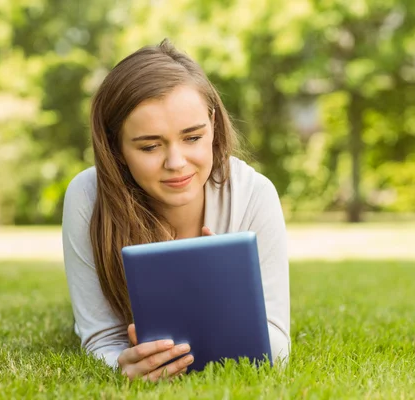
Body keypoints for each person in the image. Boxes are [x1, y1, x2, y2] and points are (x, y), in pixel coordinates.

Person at [62, 39, 290, 382]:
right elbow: (102, 339)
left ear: (212, 124)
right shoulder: (87, 197)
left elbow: (277, 348)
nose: (176, 163)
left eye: (193, 138)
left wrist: (224, 300)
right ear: (116, 147)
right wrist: (123, 367)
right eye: (150, 146)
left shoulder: (254, 195)